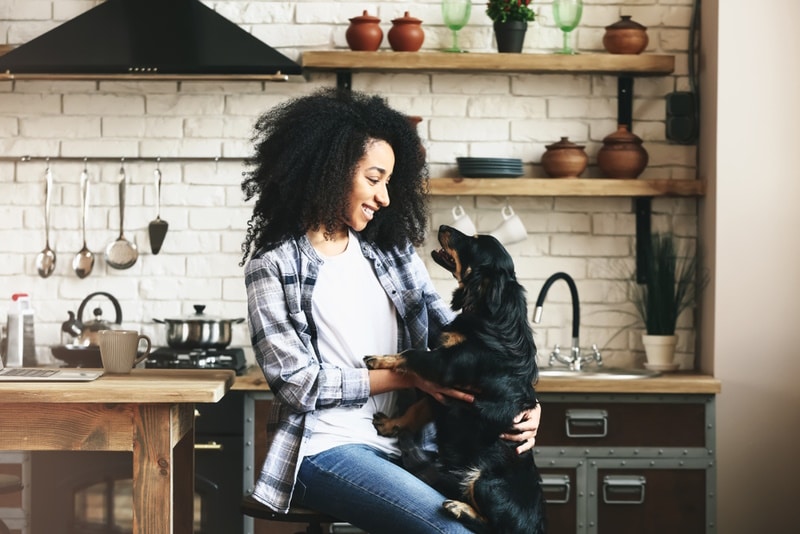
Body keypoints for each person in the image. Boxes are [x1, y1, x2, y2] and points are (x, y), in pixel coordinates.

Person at [241, 88, 541, 533]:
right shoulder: (274, 266)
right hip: (323, 449)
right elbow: (297, 384)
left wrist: (528, 403)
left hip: (406, 445)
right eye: (374, 178)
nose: (385, 197)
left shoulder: (391, 253)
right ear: (330, 171)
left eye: (388, 182)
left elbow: (466, 337)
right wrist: (412, 374)